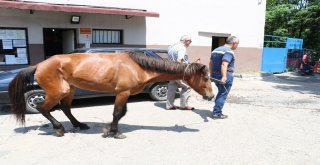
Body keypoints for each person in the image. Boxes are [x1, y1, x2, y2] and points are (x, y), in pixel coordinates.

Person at [209, 36, 239, 119]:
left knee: (220, 93)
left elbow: (210, 63)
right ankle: (217, 113)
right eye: (237, 44)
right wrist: (224, 76)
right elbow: (224, 64)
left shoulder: (216, 50)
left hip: (215, 75)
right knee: (222, 94)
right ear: (234, 43)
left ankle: (216, 109)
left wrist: (211, 75)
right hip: (225, 76)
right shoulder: (229, 52)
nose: (237, 46)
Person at [166, 35, 195, 110]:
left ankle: (169, 105)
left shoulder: (171, 46)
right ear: (186, 41)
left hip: (171, 70)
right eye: (190, 41)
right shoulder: (182, 48)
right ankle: (183, 105)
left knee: (171, 87)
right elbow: (180, 60)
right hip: (179, 71)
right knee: (186, 87)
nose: (190, 43)